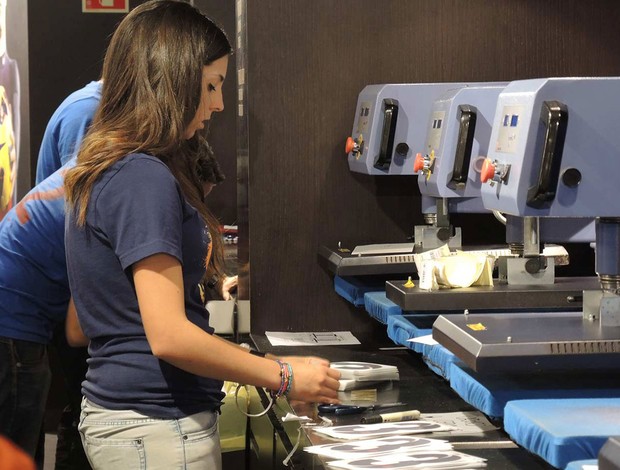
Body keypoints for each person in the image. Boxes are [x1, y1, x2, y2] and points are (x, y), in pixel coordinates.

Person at [64, 1, 340, 468]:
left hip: (131, 421)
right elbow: (170, 336)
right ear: (171, 78)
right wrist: (283, 375)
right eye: (211, 85)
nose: (217, 104)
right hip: (156, 425)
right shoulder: (141, 177)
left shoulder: (112, 167)